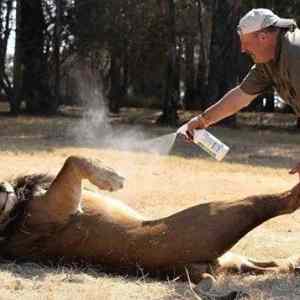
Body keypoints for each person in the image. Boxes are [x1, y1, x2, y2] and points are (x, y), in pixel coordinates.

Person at [183, 8, 300, 176]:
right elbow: (240, 97)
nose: (243, 49)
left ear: (263, 37)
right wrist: (203, 120)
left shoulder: (296, 54)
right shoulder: (267, 62)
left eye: (246, 43)